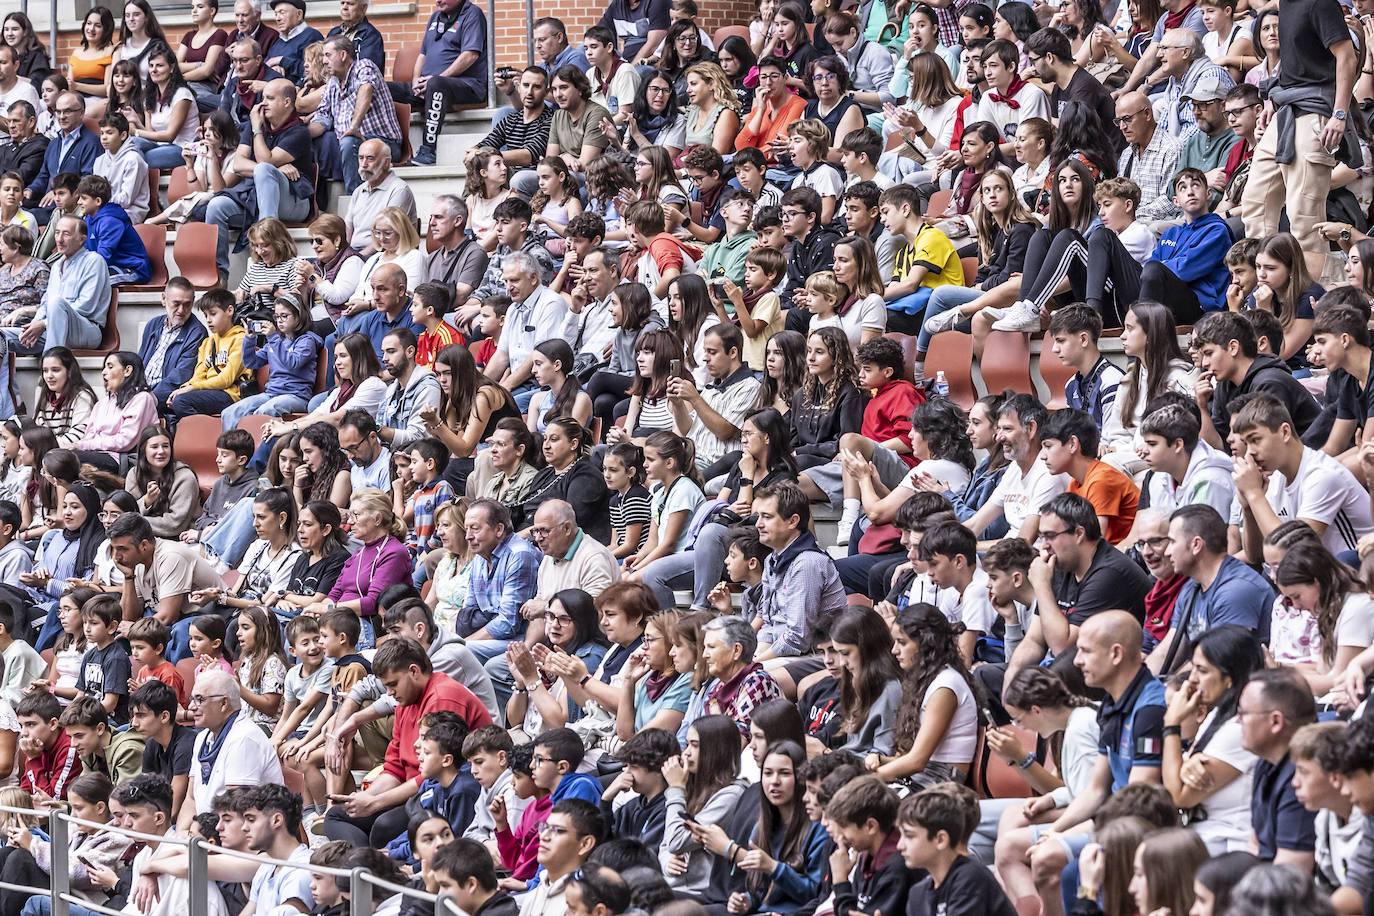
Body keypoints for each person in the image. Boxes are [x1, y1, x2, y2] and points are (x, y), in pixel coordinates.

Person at [1240, 0, 1356, 280]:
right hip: (1285, 111)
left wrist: (1339, 114)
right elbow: (1294, 66)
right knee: (1255, 205)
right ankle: (1268, 296)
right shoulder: (1284, 5)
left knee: (1305, 223)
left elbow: (1347, 57)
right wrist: (1272, 100)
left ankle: (1331, 301)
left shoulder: (1319, 2)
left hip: (1316, 111)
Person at [1230, 394, 1374, 561]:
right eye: (1246, 444)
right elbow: (1255, 555)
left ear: (1285, 432)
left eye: (1255, 440)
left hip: (1355, 577)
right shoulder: (1275, 477)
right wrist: (1248, 507)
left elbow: (1293, 553)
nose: (1250, 453)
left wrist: (1254, 494)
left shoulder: (1322, 475)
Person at [1161, 625, 1263, 853]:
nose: (1192, 680)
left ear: (1229, 679)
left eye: (1202, 671)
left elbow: (1179, 796)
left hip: (1224, 844)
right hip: (1201, 835)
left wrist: (1172, 724)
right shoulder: (1218, 712)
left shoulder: (1239, 728)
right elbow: (1177, 775)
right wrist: (1186, 763)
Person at [205, 78, 315, 281]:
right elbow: (238, 164)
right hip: (255, 197)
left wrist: (257, 133)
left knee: (264, 169)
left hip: (294, 201)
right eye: (263, 97)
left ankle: (265, 248)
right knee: (216, 205)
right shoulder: (255, 125)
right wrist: (274, 169)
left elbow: (265, 161)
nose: (263, 103)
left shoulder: (299, 132)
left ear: (287, 103)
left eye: (270, 98)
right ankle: (219, 277)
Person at [1152, 504, 1275, 673]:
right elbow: (1166, 652)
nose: (1166, 552)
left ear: (1196, 545)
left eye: (1172, 542)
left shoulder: (1237, 590)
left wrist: (1165, 691)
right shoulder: (1192, 586)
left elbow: (1216, 661)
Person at [1191, 310, 1320, 450]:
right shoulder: (1226, 384)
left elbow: (1263, 450)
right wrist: (1202, 407)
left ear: (1233, 347)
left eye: (1209, 353)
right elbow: (1218, 449)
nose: (1204, 364)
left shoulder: (1271, 383)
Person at [175, 668, 283, 826]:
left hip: (245, 839)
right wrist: (183, 835)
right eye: (192, 699)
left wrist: (195, 839)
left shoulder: (244, 738)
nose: (191, 707)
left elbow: (234, 811)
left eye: (199, 699)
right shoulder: (201, 738)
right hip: (206, 832)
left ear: (224, 703)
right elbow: (191, 799)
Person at [386, 0, 489, 166]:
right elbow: (422, 55)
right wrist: (415, 80)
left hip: (468, 86)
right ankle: (388, 146)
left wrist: (437, 78)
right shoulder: (435, 17)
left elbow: (470, 55)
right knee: (381, 87)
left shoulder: (472, 14)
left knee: (437, 85)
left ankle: (428, 150)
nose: (437, 1)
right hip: (430, 85)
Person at [963, 394, 1071, 546]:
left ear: (1031, 429)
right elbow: (975, 524)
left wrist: (967, 547)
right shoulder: (1014, 467)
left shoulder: (1049, 473)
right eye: (998, 429)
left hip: (1025, 562)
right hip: (1003, 558)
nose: (999, 437)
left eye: (1007, 429)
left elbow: (1022, 544)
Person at [1239, 668, 1318, 873]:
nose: (1237, 721)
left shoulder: (1302, 778)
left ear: (1276, 721)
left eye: (1243, 713)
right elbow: (1255, 844)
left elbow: (1292, 871)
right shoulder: (1265, 762)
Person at [310, 38, 403, 196]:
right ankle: (319, 200)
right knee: (317, 142)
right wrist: (299, 133)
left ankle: (357, 199)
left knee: (349, 143)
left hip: (384, 143)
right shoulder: (332, 83)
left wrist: (354, 127)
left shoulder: (364, 66)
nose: (324, 61)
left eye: (327, 55)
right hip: (351, 144)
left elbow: (366, 88)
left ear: (343, 55)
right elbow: (322, 118)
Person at [4, 215, 109, 354]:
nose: (59, 239)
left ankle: (50, 364)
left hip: (84, 330)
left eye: (66, 234)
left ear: (82, 239)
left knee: (57, 303)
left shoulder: (94, 261)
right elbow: (45, 303)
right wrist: (34, 324)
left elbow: (86, 306)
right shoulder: (56, 266)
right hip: (49, 329)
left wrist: (44, 324)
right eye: (57, 233)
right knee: (2, 336)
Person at [1039, 410, 1140, 544]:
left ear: (1072, 444)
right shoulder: (1076, 482)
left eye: (1048, 446)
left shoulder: (1101, 479)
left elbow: (1094, 545)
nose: (1042, 456)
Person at [138, 279, 208, 411]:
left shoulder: (197, 332)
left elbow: (180, 378)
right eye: (176, 304)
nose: (181, 310)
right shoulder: (153, 325)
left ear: (193, 301)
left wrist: (147, 400)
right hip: (141, 393)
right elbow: (139, 363)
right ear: (164, 299)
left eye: (187, 304)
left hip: (161, 398)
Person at [0, 101, 46, 188]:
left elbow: (18, 178)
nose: (11, 126)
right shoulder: (5, 148)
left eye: (16, 121)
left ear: (31, 122)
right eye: (9, 121)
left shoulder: (40, 146)